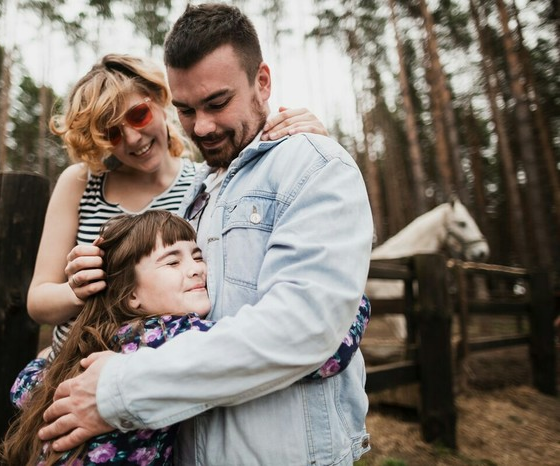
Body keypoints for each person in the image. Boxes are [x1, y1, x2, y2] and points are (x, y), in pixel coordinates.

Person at [38, 4, 374, 465]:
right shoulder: (200, 192)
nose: (202, 126)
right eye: (187, 110)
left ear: (262, 82)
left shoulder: (306, 164)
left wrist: (119, 387)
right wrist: (90, 283)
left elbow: (303, 326)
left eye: (217, 103)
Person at [0, 211, 370, 465]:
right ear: (131, 295)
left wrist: (52, 355)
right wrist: (349, 299)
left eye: (196, 256)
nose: (196, 270)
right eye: (172, 262)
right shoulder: (171, 333)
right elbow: (324, 354)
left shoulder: (106, 339)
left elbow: (23, 389)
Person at [26, 53, 331, 360]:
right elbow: (38, 302)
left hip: (159, 366)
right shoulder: (81, 183)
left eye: (138, 115)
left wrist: (314, 144)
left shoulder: (204, 184)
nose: (132, 138)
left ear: (161, 100)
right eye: (112, 133)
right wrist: (77, 290)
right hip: (71, 364)